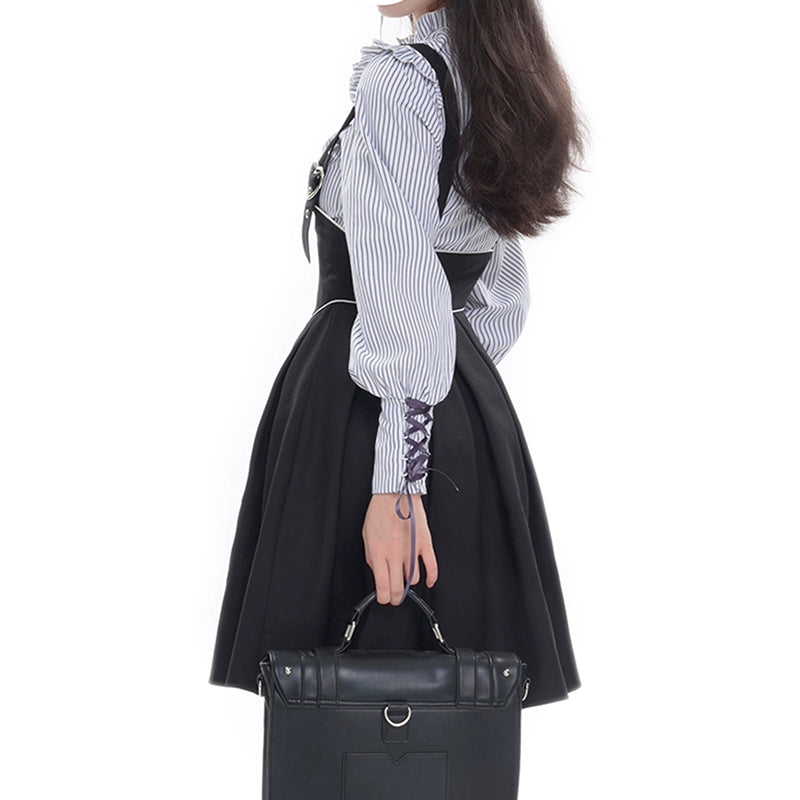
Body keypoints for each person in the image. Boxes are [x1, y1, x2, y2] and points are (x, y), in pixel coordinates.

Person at [209, 0, 585, 709]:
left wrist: (397, 484)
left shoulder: (402, 83)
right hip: (460, 418)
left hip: (364, 427)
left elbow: (406, 295)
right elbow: (499, 298)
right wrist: (454, 402)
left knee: (341, 707)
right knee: (455, 709)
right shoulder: (501, 77)